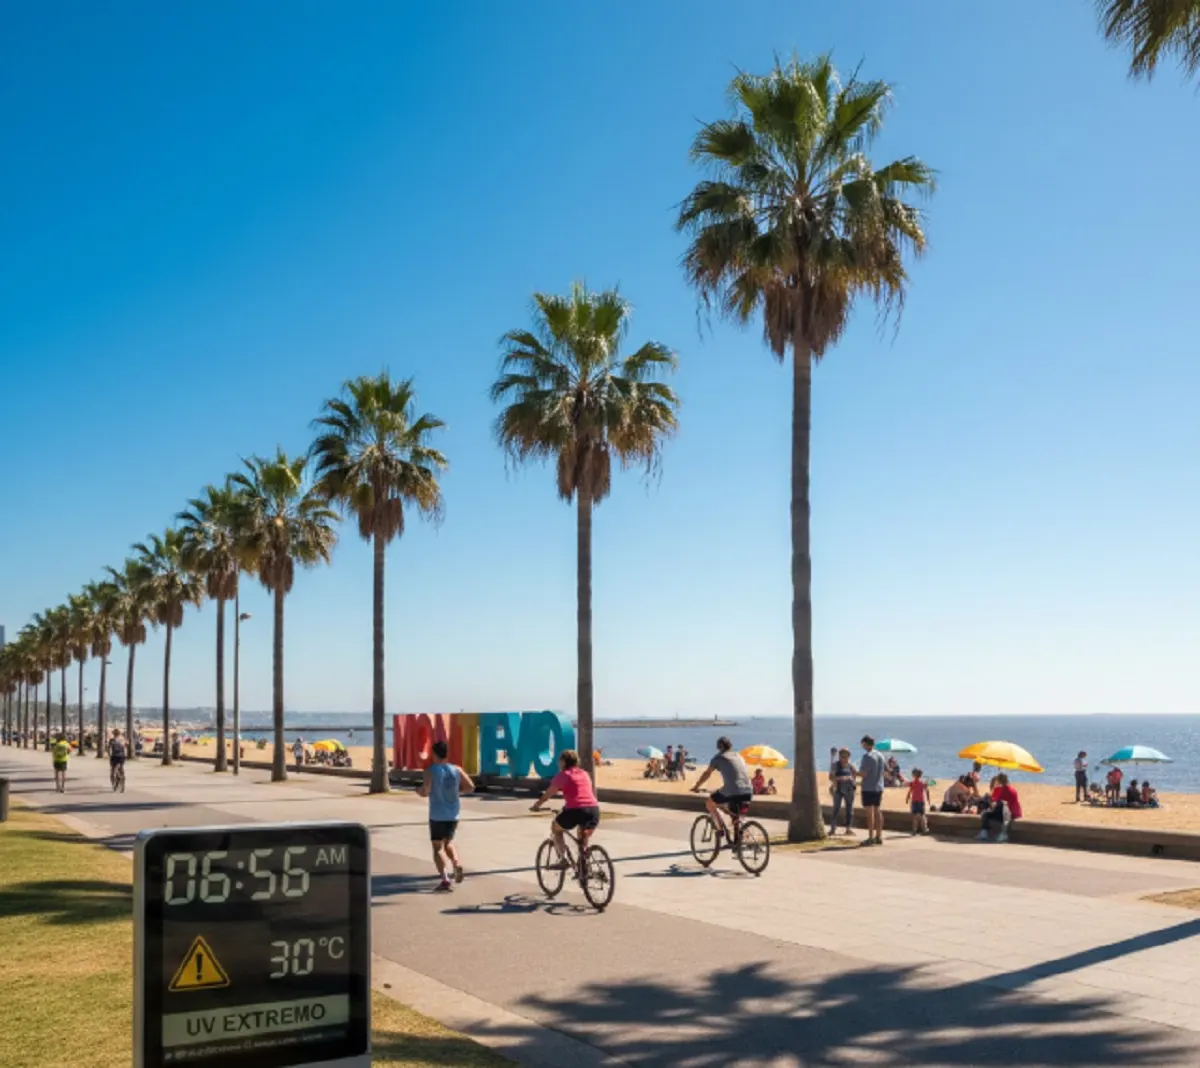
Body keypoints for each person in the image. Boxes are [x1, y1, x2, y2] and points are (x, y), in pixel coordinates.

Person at [417, 740, 474, 892]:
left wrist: (419, 791)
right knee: (448, 842)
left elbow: (426, 790)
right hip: (453, 814)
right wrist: (456, 791)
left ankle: (445, 878)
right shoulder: (456, 769)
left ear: (434, 754)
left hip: (437, 814)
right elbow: (471, 787)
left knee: (437, 848)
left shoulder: (430, 770)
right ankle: (456, 863)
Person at [531, 749, 600, 869]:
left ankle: (563, 859)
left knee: (555, 828)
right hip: (593, 809)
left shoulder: (564, 775)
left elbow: (549, 793)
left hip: (575, 810)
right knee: (583, 835)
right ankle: (584, 866)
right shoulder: (584, 773)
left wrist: (537, 805)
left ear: (563, 762)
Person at [690, 736, 753, 836]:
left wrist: (696, 787)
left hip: (733, 790)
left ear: (719, 747)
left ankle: (720, 830)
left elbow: (707, 774)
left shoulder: (718, 758)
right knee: (735, 814)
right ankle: (740, 841)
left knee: (710, 803)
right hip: (748, 790)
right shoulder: (738, 755)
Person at [858, 736, 886, 846]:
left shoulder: (867, 757)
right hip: (879, 787)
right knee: (877, 811)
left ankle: (870, 837)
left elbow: (863, 773)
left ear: (866, 744)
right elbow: (885, 770)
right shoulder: (880, 755)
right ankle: (879, 836)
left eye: (862, 744)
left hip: (868, 787)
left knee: (870, 813)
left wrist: (853, 772)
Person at [977, 773, 1022, 842]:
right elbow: (996, 802)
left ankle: (1003, 834)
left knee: (999, 811)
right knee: (986, 814)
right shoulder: (1002, 789)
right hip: (1005, 812)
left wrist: (993, 803)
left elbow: (1003, 804)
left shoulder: (1009, 791)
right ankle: (984, 832)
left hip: (1010, 813)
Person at [829, 748, 856, 836]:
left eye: (846, 756)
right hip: (838, 789)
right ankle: (833, 828)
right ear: (840, 756)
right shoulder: (835, 765)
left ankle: (848, 828)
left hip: (849, 790)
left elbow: (854, 775)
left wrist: (852, 780)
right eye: (842, 756)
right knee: (836, 808)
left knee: (849, 809)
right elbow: (830, 777)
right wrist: (838, 779)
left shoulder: (850, 765)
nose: (844, 758)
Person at [906, 768, 929, 835]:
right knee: (922, 815)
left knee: (914, 816)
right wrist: (928, 798)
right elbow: (927, 791)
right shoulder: (922, 783)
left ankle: (914, 830)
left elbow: (909, 791)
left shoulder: (913, 783)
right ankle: (925, 829)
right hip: (921, 801)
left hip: (914, 801)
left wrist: (907, 798)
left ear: (914, 775)